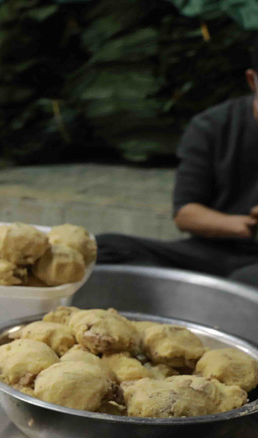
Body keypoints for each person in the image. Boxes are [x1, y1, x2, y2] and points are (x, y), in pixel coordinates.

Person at [96, 34, 258, 287]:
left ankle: (208, 296)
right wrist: (244, 226)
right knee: (103, 248)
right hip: (209, 252)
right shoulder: (212, 125)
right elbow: (186, 213)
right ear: (252, 80)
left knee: (247, 280)